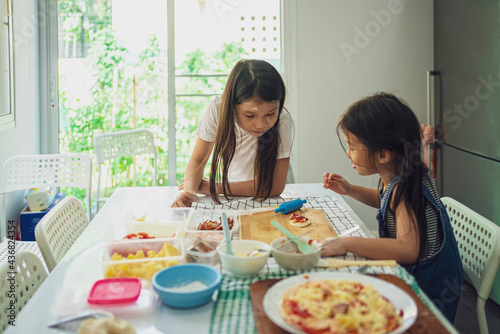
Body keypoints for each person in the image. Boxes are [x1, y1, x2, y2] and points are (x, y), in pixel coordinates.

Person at [322, 92, 463, 322]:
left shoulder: (405, 187)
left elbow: (408, 249)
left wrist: (347, 243)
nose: (348, 153)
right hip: (429, 281)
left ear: (384, 154)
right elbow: (387, 201)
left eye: (353, 146)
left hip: (427, 294)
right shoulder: (401, 175)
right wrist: (349, 190)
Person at [171, 59, 293, 207]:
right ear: (232, 106)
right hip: (233, 201)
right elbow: (198, 159)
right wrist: (189, 193)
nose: (261, 124)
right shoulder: (218, 109)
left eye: (270, 114)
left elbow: (275, 187)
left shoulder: (282, 120)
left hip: (268, 203)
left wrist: (215, 187)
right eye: (250, 115)